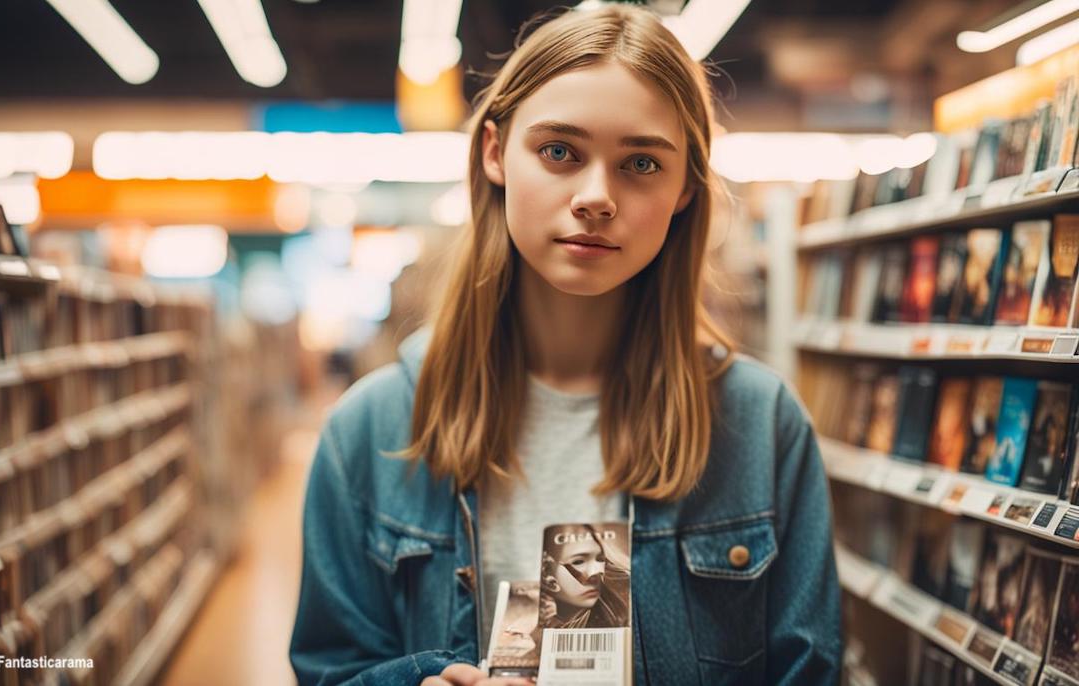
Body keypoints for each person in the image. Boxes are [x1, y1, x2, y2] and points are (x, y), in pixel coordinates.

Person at [290, 5, 841, 685]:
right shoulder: (368, 433)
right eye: (559, 152)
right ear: (495, 153)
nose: (595, 196)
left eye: (641, 162)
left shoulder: (760, 426)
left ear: (685, 190)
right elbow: (330, 669)